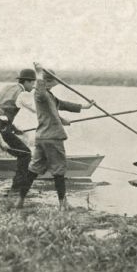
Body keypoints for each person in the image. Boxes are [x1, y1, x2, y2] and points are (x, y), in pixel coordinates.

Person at [16, 63, 95, 211]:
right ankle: (63, 204)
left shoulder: (49, 95)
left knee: (33, 170)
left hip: (42, 138)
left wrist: (86, 106)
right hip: (52, 138)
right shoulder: (41, 94)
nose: (55, 83)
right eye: (52, 81)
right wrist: (38, 72)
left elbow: (63, 104)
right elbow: (40, 90)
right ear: (47, 82)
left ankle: (20, 200)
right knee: (59, 171)